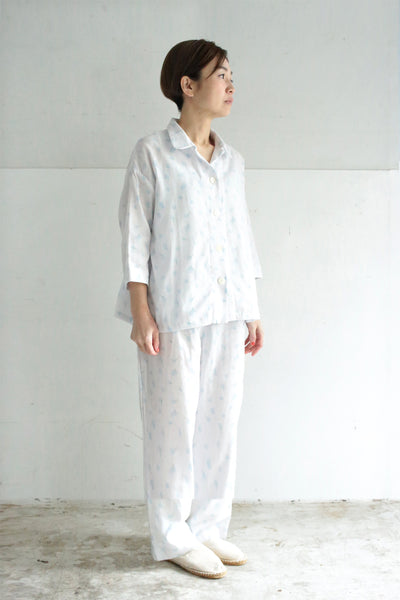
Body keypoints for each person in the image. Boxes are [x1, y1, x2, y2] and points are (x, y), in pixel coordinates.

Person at [114, 39, 264, 579]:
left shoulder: (232, 161)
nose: (231, 84)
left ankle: (209, 526)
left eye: (231, 75)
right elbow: (136, 236)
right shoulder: (152, 154)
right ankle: (174, 533)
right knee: (171, 427)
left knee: (221, 423)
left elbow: (241, 236)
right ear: (188, 85)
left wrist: (251, 308)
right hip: (173, 311)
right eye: (221, 74)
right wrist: (141, 312)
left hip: (226, 310)